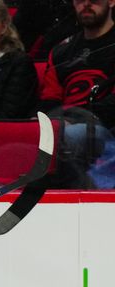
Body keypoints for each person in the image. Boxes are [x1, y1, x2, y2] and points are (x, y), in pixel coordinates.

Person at [39, 0, 115, 189]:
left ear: (111, 1)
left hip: (106, 128)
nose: (86, 4)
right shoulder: (61, 50)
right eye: (80, 0)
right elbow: (49, 98)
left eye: (94, 0)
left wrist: (77, 119)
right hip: (66, 125)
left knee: (72, 135)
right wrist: (56, 122)